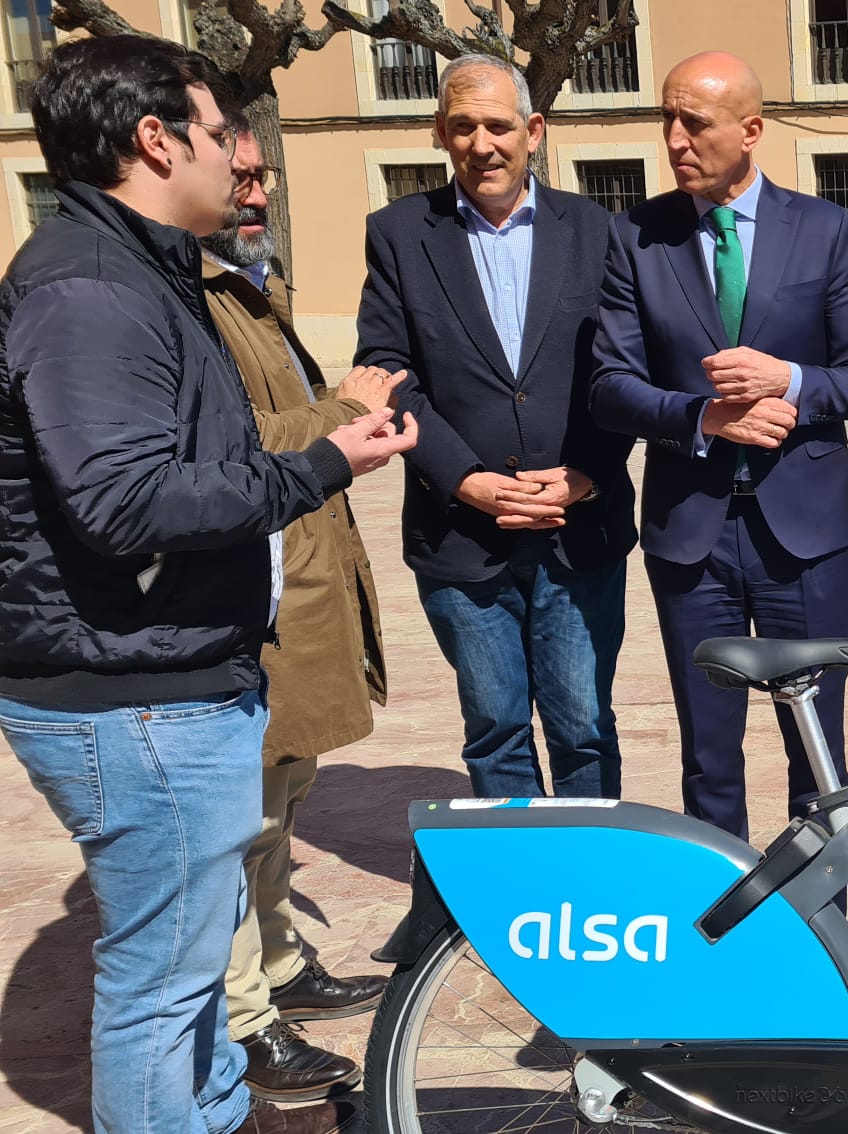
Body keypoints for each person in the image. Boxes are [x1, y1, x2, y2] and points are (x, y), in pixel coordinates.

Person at [0, 35, 414, 1134]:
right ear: (154, 139)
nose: (239, 155)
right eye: (221, 130)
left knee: (185, 991)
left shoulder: (141, 270)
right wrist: (324, 465)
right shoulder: (88, 290)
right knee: (163, 991)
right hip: (133, 697)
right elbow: (124, 502)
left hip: (168, 677)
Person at [590, 51, 848, 841]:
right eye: (668, 119)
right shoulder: (635, 237)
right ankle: (726, 935)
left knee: (816, 749)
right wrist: (702, 418)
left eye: (697, 122)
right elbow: (608, 386)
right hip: (693, 538)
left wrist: (787, 378)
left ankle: (819, 928)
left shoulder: (822, 229)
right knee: (709, 753)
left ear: (751, 131)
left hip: (806, 536)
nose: (676, 138)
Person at [355, 54, 637, 799]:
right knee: (495, 729)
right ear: (440, 134)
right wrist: (467, 479)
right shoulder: (398, 234)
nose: (483, 144)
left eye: (499, 125)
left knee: (583, 723)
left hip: (579, 531)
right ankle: (520, 902)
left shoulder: (599, 232)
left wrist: (586, 474)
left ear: (533, 131)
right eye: (463, 126)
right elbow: (386, 370)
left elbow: (627, 370)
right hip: (462, 535)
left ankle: (587, 901)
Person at [201, 119, 396, 1103]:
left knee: (282, 804)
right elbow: (221, 444)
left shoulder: (244, 287)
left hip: (299, 583)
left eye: (260, 178)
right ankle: (246, 1020)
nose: (256, 194)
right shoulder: (182, 301)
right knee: (240, 819)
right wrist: (342, 411)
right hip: (250, 596)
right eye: (237, 176)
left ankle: (282, 970)